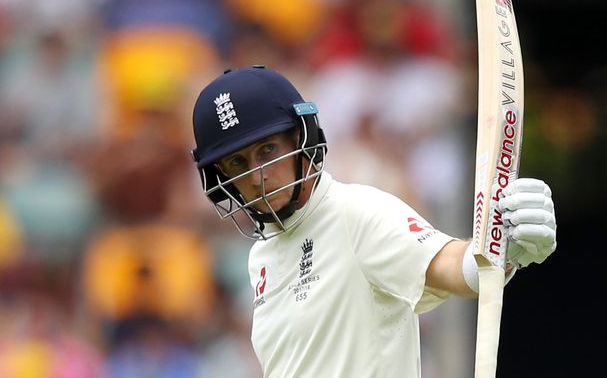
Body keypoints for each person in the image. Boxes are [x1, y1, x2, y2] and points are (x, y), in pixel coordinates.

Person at [189, 65, 557, 377]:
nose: (257, 176)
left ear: (301, 138)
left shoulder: (356, 212)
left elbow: (457, 267)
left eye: (267, 150)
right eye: (238, 163)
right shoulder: (261, 257)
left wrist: (504, 247)